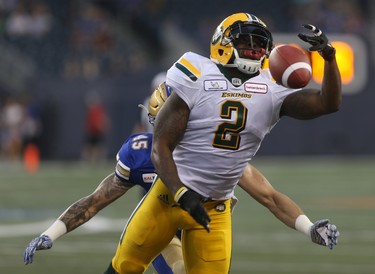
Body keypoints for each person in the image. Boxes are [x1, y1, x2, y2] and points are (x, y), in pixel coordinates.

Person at [109, 13, 342, 273]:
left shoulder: (271, 90)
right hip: (168, 197)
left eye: (258, 43)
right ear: (222, 42)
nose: (253, 49)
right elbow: (161, 146)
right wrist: (182, 194)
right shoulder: (197, 73)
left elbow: (328, 103)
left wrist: (329, 58)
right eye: (246, 41)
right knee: (125, 268)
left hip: (215, 208)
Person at [23, 83, 339, 274]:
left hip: (206, 224)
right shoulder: (139, 151)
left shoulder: (214, 153)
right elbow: (95, 201)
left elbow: (270, 197)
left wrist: (308, 226)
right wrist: (52, 233)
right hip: (162, 226)